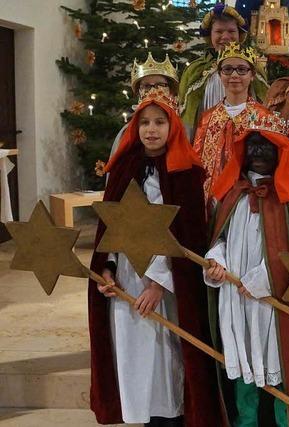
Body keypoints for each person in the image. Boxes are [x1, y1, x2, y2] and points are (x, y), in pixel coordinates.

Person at [88, 88, 222, 426]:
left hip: (167, 284)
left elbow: (188, 235)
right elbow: (109, 230)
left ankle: (170, 418)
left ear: (172, 126)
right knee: (133, 355)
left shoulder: (186, 173)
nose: (151, 129)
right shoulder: (122, 170)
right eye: (144, 122)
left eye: (159, 122)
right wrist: (107, 269)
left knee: (165, 357)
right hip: (127, 281)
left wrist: (159, 284)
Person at [203, 114, 289, 427]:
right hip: (238, 301)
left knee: (284, 369)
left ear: (281, 152)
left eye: (266, 146)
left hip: (278, 304)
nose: (258, 153)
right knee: (245, 367)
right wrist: (217, 260)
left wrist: (265, 279)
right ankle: (246, 422)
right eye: (253, 146)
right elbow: (220, 237)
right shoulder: (233, 194)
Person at [191, 42, 271, 209]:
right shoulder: (207, 118)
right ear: (220, 74)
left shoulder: (263, 117)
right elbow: (197, 160)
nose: (234, 75)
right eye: (227, 69)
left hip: (246, 201)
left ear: (252, 75)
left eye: (242, 69)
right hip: (211, 198)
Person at [179, 3, 268, 135]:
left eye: (231, 31)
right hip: (205, 140)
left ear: (239, 34)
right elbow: (186, 115)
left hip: (246, 137)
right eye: (219, 31)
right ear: (210, 35)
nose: (225, 37)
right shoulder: (194, 71)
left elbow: (264, 103)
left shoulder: (254, 67)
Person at [109, 52, 180, 159]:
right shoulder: (126, 135)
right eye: (146, 86)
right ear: (139, 92)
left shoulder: (185, 130)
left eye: (160, 85)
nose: (153, 90)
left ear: (171, 91)